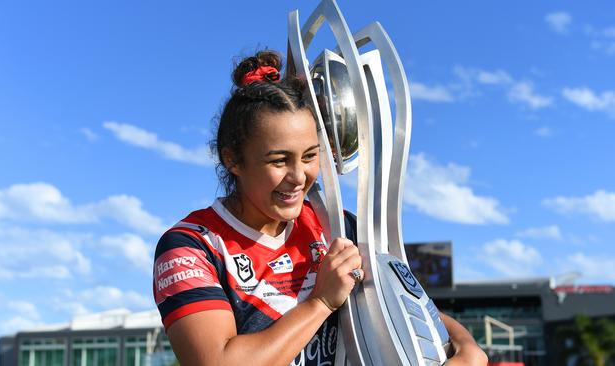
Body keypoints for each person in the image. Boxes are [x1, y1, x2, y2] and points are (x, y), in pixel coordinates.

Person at [152, 50, 487, 366]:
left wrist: (468, 348)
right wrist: (321, 302)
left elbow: (410, 307)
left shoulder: (335, 225)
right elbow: (218, 361)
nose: (299, 177)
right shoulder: (190, 246)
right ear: (233, 160)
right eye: (279, 160)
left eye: (310, 156)